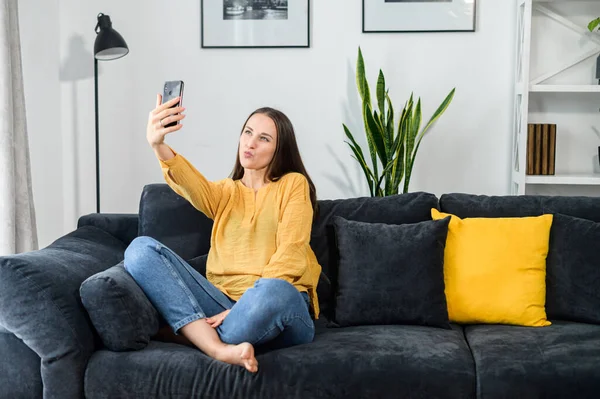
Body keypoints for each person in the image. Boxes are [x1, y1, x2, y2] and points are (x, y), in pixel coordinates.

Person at [123, 94, 322, 374]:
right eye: (248, 133)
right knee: (140, 249)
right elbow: (189, 183)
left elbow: (292, 250)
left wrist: (243, 307)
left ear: (280, 149)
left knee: (275, 290)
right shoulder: (225, 193)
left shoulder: (292, 184)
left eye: (264, 138)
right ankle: (220, 348)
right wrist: (158, 144)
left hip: (277, 305)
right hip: (220, 301)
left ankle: (188, 332)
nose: (250, 143)